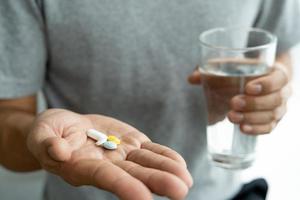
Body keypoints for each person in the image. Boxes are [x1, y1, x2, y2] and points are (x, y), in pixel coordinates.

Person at [0, 0, 299, 199]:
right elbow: (8, 114)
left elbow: (277, 49)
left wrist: (274, 86)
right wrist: (40, 140)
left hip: (221, 192)